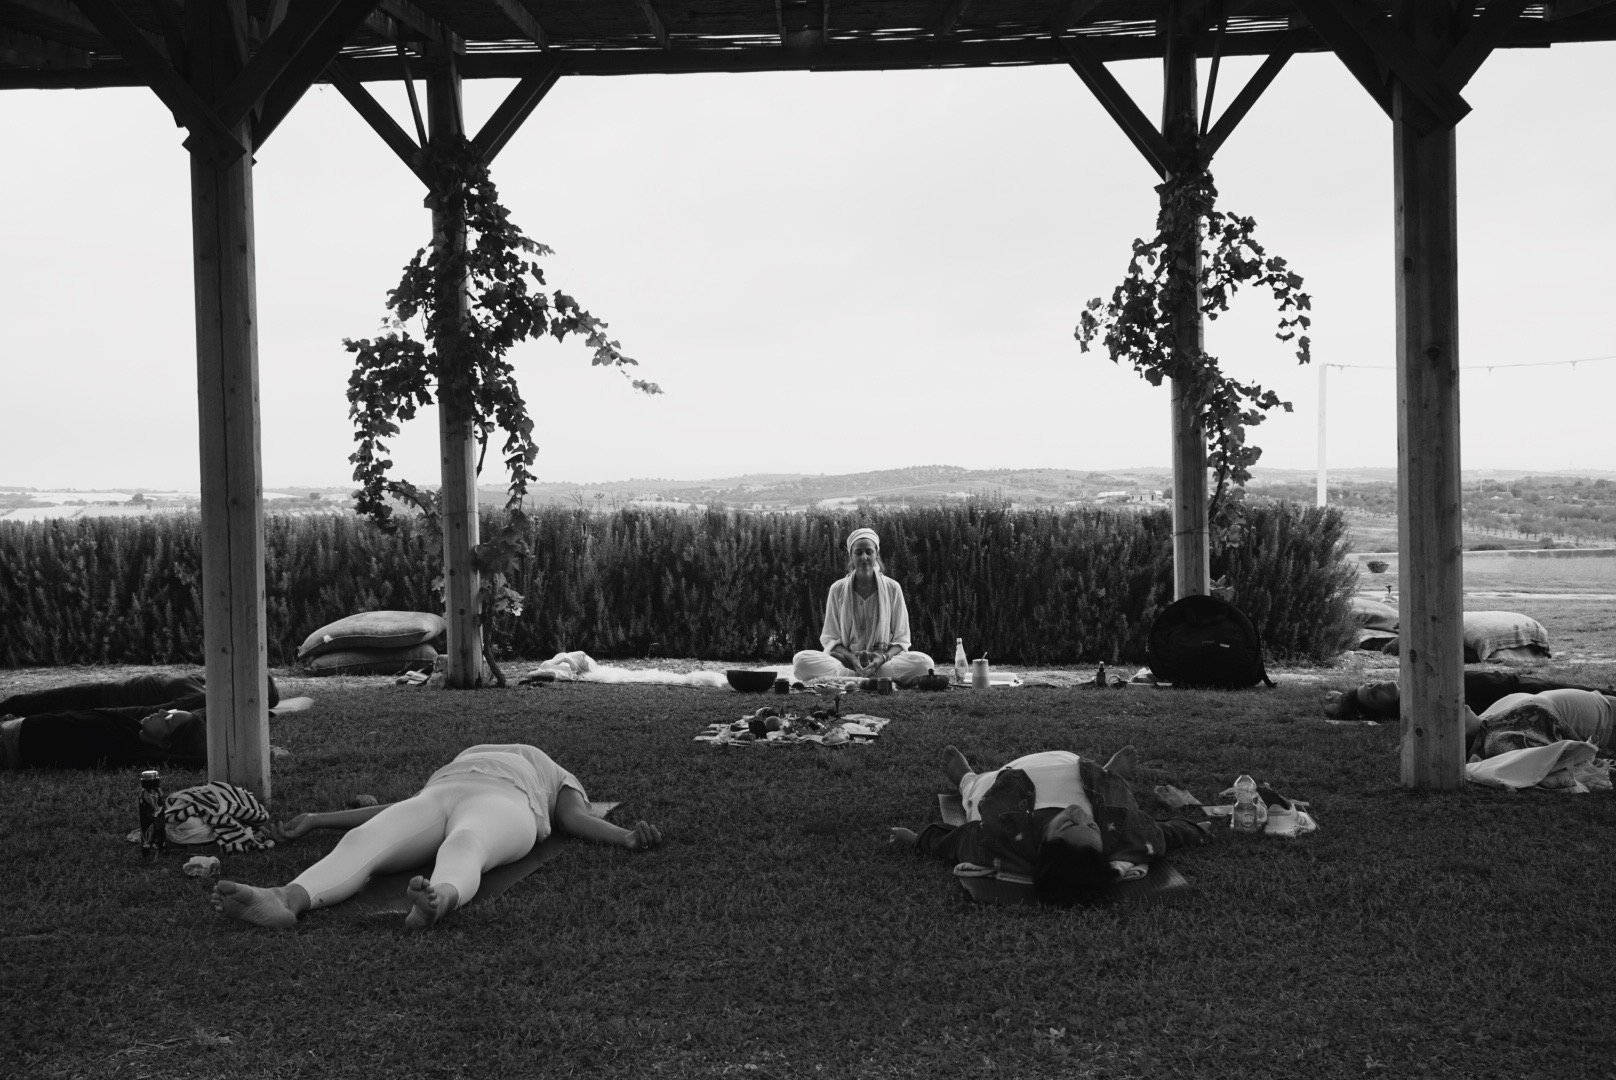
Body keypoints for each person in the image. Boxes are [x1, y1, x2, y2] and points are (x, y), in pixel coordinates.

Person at [212, 743, 662, 930]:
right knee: (366, 839)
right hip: (440, 791)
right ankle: (285, 899)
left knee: (467, 842)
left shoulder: (554, 771)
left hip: (506, 802)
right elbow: (392, 811)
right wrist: (317, 819)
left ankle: (440, 898)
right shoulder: (468, 755)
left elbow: (575, 817)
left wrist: (624, 837)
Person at [890, 744, 1211, 906]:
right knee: (1113, 800)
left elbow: (954, 842)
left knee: (977, 793)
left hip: (1006, 780)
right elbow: (1164, 833)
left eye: (1069, 823)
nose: (1078, 813)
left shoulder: (998, 839)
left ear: (1046, 842)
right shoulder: (1123, 837)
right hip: (1081, 773)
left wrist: (916, 839)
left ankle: (965, 777)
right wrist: (1198, 831)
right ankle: (1109, 776)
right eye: (1091, 826)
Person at [792, 527, 936, 686]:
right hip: (847, 663)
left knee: (925, 663)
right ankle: (867, 679)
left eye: (869, 551)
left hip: (883, 663)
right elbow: (831, 639)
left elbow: (901, 640)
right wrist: (852, 659)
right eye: (858, 552)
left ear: (877, 554)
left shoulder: (892, 588)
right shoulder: (837, 589)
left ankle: (851, 680)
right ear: (851, 556)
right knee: (801, 661)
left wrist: (881, 658)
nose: (864, 557)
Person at [1322, 671, 1611, 722]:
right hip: (1523, 694)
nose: (1377, 686)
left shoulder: (1413, 685)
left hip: (1516, 682)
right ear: (1381, 711)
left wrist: (1342, 696)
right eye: (1373, 695)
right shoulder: (1416, 706)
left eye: (1369, 684)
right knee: (1599, 699)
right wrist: (1343, 708)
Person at [0, 704, 206, 770]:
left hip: (10, 745)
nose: (161, 711)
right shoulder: (131, 727)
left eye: (168, 718)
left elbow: (175, 761)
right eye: (169, 710)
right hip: (14, 725)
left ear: (165, 742)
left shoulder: (128, 751)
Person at [0, 670, 278, 715]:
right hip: (108, 692)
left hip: (106, 699)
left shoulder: (200, 693)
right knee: (33, 703)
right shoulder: (202, 685)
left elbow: (169, 710)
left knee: (39, 705)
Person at [1465, 688, 1616, 759]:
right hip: (1608, 722)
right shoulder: (1497, 739)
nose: (1461, 705)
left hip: (1604, 702)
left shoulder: (1486, 720)